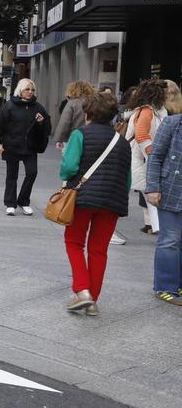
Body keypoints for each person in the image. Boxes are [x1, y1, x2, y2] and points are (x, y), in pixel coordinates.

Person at [58, 92, 132, 316]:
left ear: (88, 112)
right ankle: (93, 300)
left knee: (74, 242)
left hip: (83, 198)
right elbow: (126, 177)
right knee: (99, 250)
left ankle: (82, 291)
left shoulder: (80, 134)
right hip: (112, 200)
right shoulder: (122, 141)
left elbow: (69, 167)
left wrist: (64, 175)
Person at [0, 78, 52, 216]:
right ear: (20, 90)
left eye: (32, 90)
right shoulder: (9, 106)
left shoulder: (38, 107)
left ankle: (23, 201)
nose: (30, 92)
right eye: (27, 89)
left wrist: (42, 123)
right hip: (11, 145)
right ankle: (10, 203)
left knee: (32, 172)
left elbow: (47, 128)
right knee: (12, 175)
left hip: (30, 147)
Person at [147, 112, 182, 304]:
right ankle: (165, 287)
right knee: (170, 240)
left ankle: (179, 284)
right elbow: (156, 156)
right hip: (171, 189)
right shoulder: (172, 123)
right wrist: (153, 187)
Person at [126, 79, 168, 236]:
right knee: (152, 197)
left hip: (141, 159)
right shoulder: (147, 111)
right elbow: (142, 136)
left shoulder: (148, 111)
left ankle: (159, 229)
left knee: (152, 199)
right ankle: (160, 230)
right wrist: (154, 156)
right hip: (143, 159)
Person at [54, 80, 96, 151]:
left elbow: (64, 122)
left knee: (72, 159)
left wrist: (59, 139)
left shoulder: (72, 103)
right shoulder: (94, 102)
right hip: (91, 138)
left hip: (73, 138)